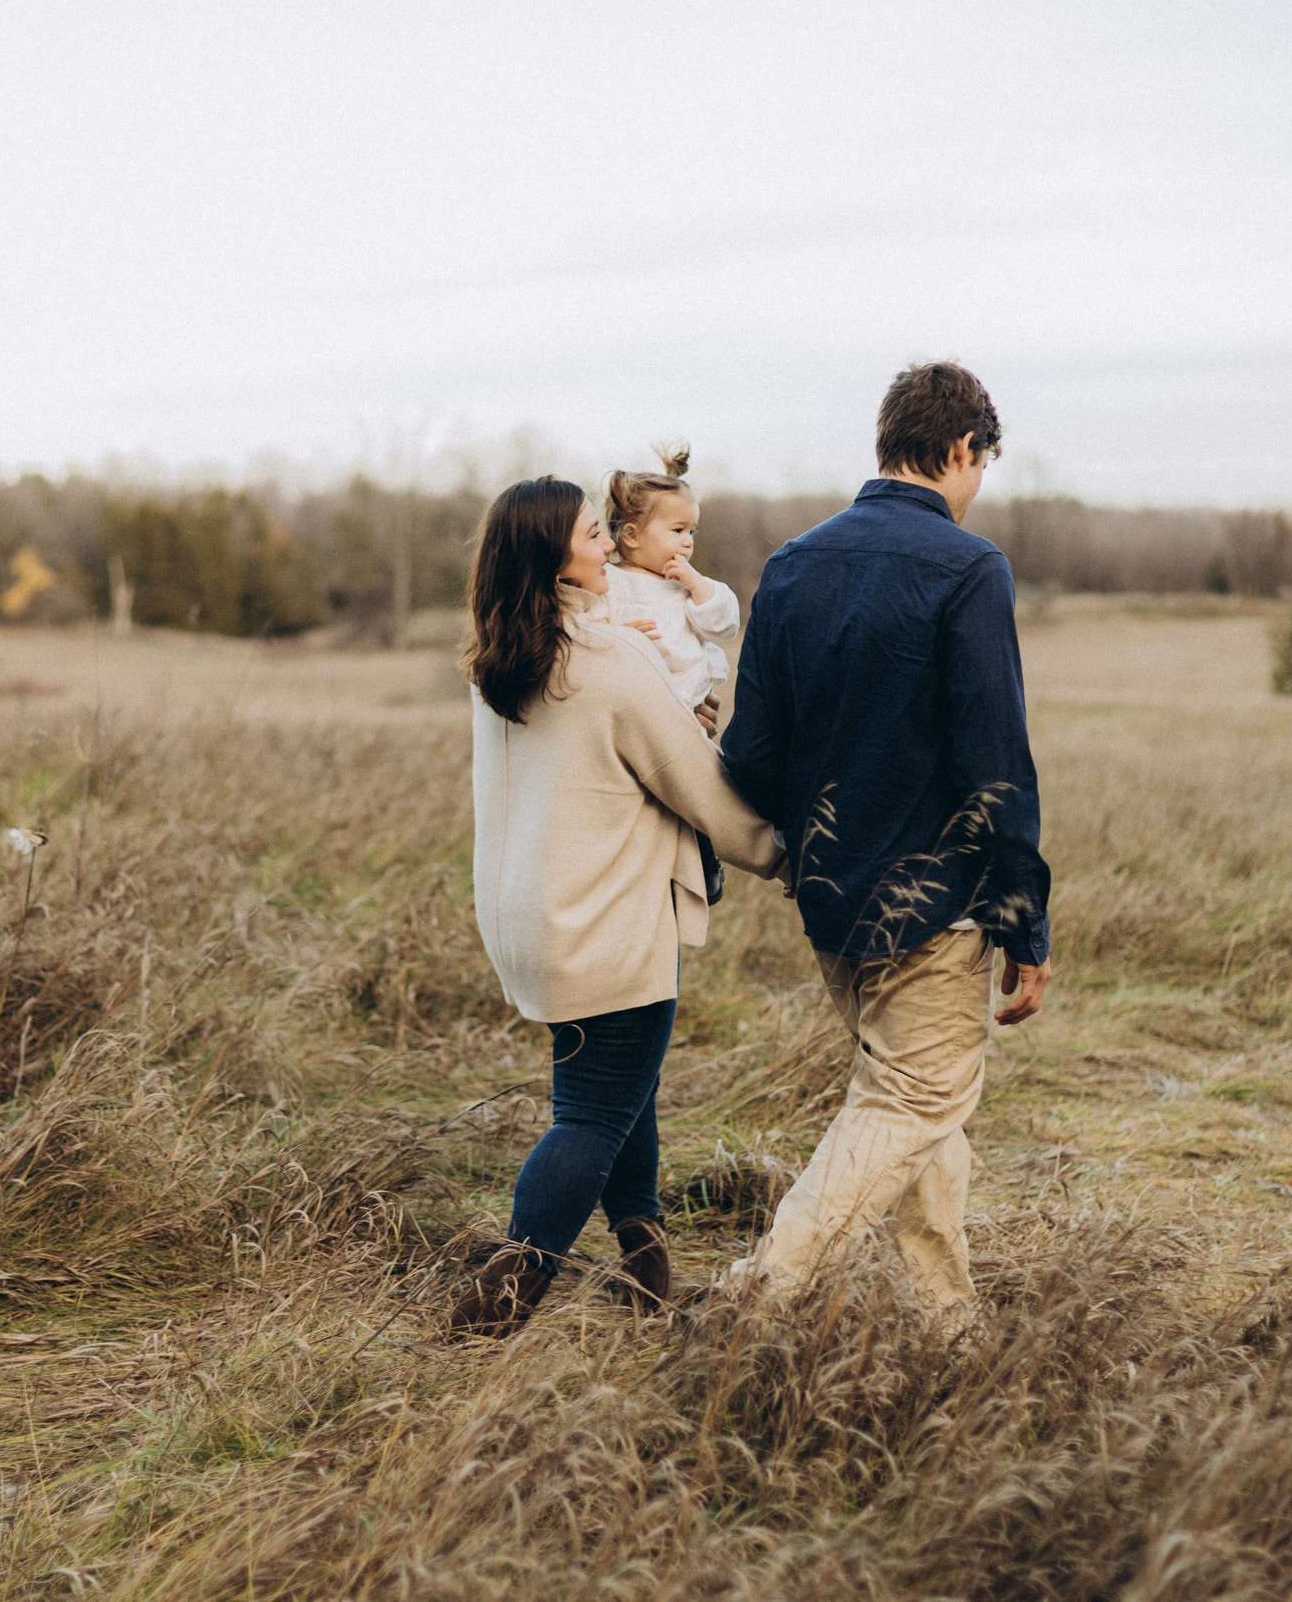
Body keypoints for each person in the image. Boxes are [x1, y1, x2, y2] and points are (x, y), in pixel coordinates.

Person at [719, 361, 1054, 1310]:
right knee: (912, 1100)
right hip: (935, 911)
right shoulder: (968, 568)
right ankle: (762, 1291)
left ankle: (950, 1326)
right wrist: (1024, 925)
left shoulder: (791, 564)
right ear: (959, 450)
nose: (977, 480)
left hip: (828, 901)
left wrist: (815, 844)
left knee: (921, 1113)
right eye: (980, 461)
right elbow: (996, 765)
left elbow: (748, 754)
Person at [450, 476, 783, 1340]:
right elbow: (700, 786)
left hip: (541, 924)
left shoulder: (505, 655)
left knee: (617, 1089)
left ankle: (645, 1267)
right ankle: (503, 1294)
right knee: (592, 1115)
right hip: (609, 926)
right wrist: (789, 856)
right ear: (553, 557)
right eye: (594, 536)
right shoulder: (606, 659)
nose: (608, 548)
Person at [599, 446, 741, 722]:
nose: (688, 540)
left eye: (692, 531)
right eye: (678, 530)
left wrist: (697, 584)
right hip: (634, 705)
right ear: (631, 535)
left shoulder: (685, 584)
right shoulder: (608, 580)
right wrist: (615, 635)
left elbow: (724, 625)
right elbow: (589, 628)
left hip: (688, 703)